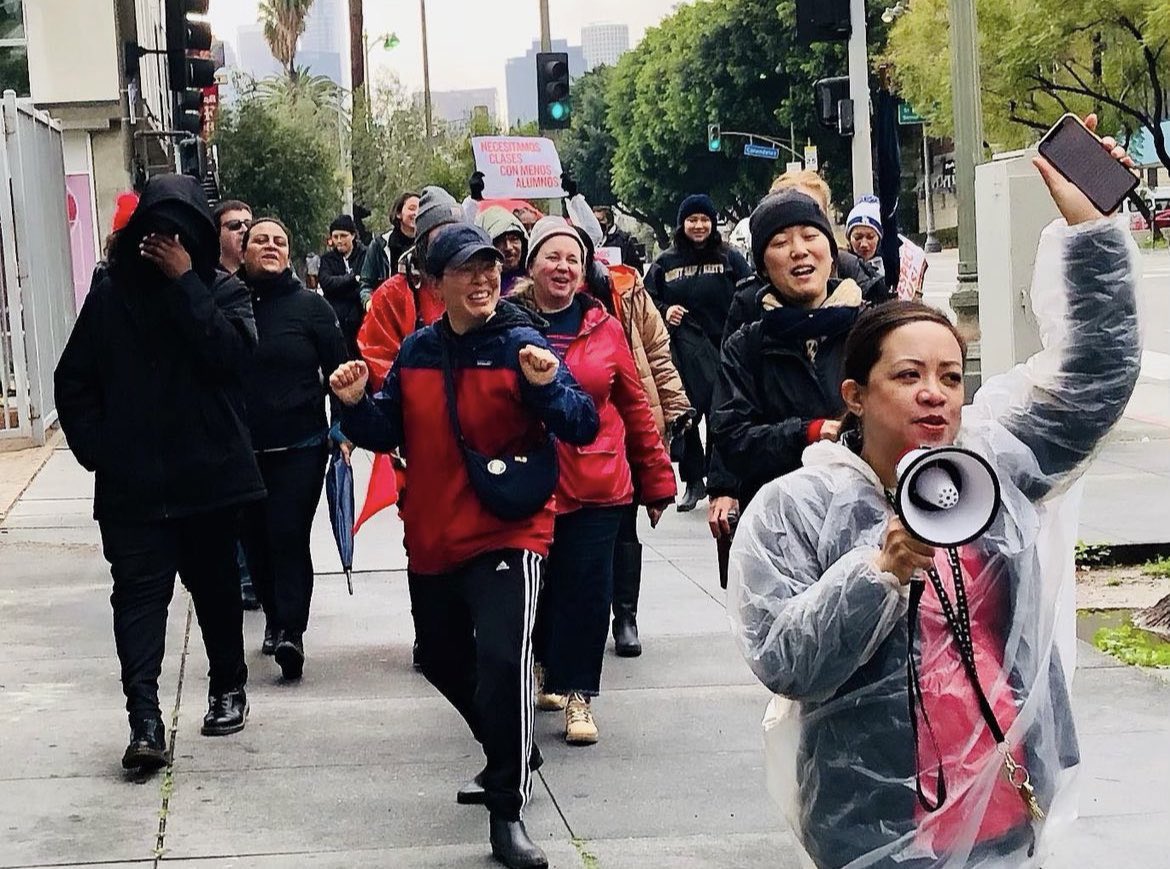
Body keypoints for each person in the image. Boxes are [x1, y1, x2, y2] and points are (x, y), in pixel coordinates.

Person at [727, 123, 1141, 868]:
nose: (935, 395)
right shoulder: (795, 509)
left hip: (1008, 807)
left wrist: (1092, 227)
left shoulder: (992, 466)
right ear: (855, 394)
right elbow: (782, 656)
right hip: (879, 826)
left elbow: (1094, 382)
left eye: (951, 376)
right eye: (908, 375)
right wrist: (877, 570)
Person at [331, 222, 599, 869]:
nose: (483, 280)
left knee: (505, 661)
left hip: (510, 529)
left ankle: (505, 811)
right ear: (434, 282)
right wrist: (352, 403)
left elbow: (581, 422)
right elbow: (385, 426)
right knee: (446, 660)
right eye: (466, 270)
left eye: (490, 270)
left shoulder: (520, 342)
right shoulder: (420, 350)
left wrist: (545, 385)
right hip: (431, 534)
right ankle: (507, 741)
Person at [54, 173, 265, 772]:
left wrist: (183, 285)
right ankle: (144, 719)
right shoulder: (112, 295)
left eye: (180, 232)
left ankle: (228, 685)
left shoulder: (222, 292)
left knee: (218, 592)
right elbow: (74, 379)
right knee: (140, 602)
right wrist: (100, 449)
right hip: (135, 488)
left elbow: (231, 360)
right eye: (156, 229)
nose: (166, 241)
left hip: (208, 481)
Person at [510, 216, 676, 743]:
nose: (562, 267)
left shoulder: (604, 327)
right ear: (531, 265)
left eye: (572, 260)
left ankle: (580, 695)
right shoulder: (506, 325)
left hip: (599, 482)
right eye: (551, 257)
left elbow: (634, 405)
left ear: (583, 271)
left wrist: (657, 480)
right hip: (529, 483)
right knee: (540, 590)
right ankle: (545, 664)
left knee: (587, 592)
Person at [708, 191, 866, 534]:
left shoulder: (874, 331)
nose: (799, 250)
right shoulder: (747, 345)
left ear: (831, 252)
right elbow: (732, 437)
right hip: (779, 527)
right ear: (762, 265)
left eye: (810, 237)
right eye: (780, 242)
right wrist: (806, 432)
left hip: (866, 520)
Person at [237, 217, 348, 680]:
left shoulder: (311, 309)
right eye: (260, 239)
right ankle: (274, 617)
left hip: (301, 445)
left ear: (290, 253)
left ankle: (291, 632)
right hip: (241, 451)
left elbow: (342, 372)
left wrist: (341, 429)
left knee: (286, 534)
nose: (270, 246)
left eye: (279, 241)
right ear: (243, 251)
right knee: (256, 542)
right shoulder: (227, 303)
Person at [581, 262, 692, 656]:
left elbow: (657, 350)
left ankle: (625, 615)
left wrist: (676, 407)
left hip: (631, 417)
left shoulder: (627, 291)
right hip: (575, 427)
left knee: (625, 523)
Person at [645, 193, 752, 512]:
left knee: (722, 414)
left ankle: (719, 477)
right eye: (692, 220)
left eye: (704, 219)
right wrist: (666, 310)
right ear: (682, 224)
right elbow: (646, 303)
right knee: (687, 414)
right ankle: (693, 480)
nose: (699, 225)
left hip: (726, 346)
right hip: (684, 351)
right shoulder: (666, 262)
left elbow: (750, 291)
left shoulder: (730, 257)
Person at [723, 170, 890, 344]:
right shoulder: (748, 316)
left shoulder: (861, 280)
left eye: (809, 231)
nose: (799, 250)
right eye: (781, 240)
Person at [212, 198, 260, 612]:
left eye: (249, 223)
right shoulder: (207, 285)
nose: (243, 231)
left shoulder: (264, 284)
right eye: (233, 226)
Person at [318, 214, 367, 358]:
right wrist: (352, 278)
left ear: (353, 235)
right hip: (336, 322)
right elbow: (326, 283)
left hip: (360, 322)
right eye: (335, 236)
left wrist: (340, 287)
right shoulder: (327, 260)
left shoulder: (366, 255)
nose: (339, 241)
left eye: (343, 236)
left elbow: (366, 283)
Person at [360, 191, 420, 308]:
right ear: (398, 213)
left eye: (420, 209)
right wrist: (369, 303)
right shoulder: (379, 245)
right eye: (412, 209)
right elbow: (366, 284)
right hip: (388, 311)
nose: (416, 213)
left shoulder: (428, 244)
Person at [476, 205, 529, 293]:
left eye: (514, 239)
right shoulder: (479, 288)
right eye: (499, 241)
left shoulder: (537, 282)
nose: (508, 247)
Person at [592, 204, 645, 273]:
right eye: (594, 221)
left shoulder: (624, 241)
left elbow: (638, 270)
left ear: (609, 222)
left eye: (600, 220)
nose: (597, 224)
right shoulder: (590, 239)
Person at [214, 199, 252, 274]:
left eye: (249, 224)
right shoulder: (206, 279)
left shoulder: (264, 277)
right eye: (234, 225)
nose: (244, 229)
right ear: (218, 234)